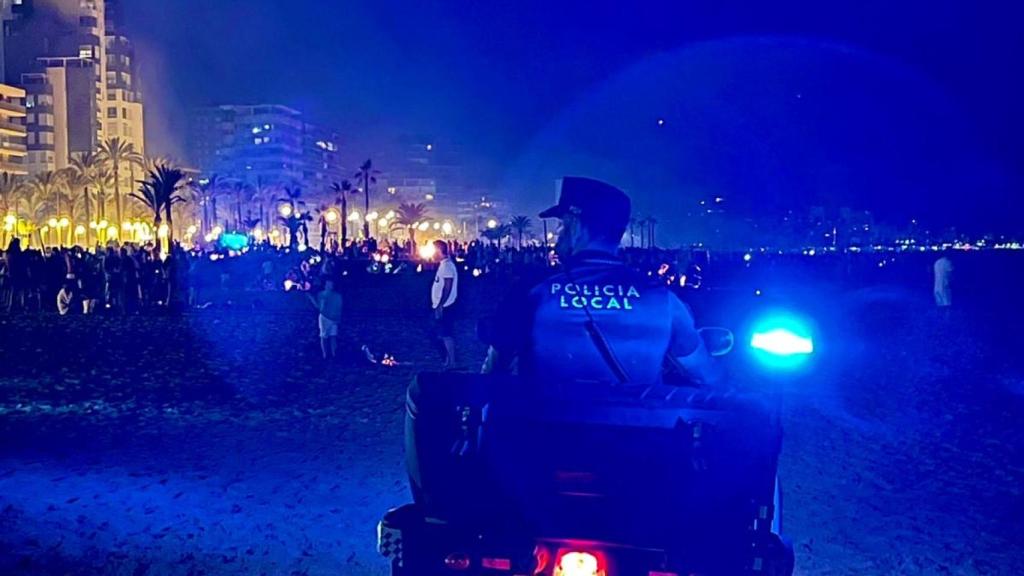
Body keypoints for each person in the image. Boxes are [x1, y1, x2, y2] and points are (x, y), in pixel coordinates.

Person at [481, 176, 714, 386]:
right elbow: (706, 374)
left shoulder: (533, 290)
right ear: (620, 232)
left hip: (548, 431)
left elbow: (494, 370)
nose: (558, 233)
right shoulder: (662, 298)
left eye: (561, 224)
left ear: (574, 225)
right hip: (637, 432)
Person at [431, 240, 459, 369]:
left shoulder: (447, 266)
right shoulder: (444, 265)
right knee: (443, 334)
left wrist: (441, 305)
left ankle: (451, 362)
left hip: (446, 306)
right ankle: (448, 360)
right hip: (443, 305)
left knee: (446, 334)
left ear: (439, 250)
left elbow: (447, 287)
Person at [309, 277, 343, 360]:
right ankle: (325, 354)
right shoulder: (321, 295)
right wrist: (312, 299)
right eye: (328, 284)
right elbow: (320, 307)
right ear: (325, 285)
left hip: (334, 318)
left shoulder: (337, 296)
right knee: (324, 336)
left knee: (333, 336)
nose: (329, 286)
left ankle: (334, 354)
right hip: (325, 318)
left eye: (331, 284)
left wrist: (338, 318)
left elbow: (339, 307)